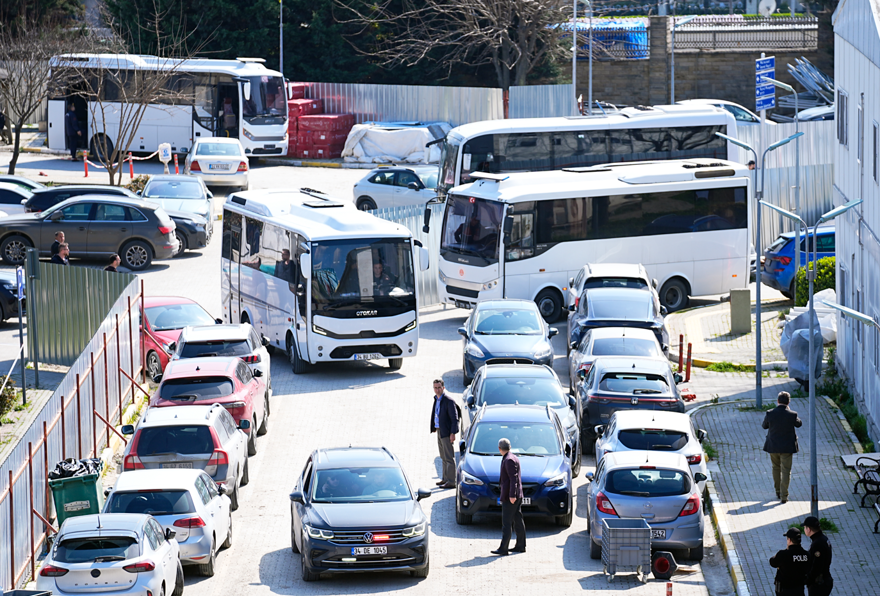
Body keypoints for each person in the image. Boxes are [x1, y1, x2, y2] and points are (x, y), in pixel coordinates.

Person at [762, 391, 802, 503]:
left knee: (776, 468)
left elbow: (764, 426)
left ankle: (778, 491)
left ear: (778, 401)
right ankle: (784, 496)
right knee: (786, 470)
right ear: (788, 402)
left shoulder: (770, 413)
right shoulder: (792, 414)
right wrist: (789, 411)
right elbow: (799, 424)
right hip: (787, 447)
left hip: (773, 446)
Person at [492, 437, 526, 556]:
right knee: (518, 519)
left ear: (499, 448)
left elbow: (513, 479)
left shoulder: (508, 460)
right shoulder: (512, 457)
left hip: (510, 496)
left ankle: (503, 548)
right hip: (516, 495)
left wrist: (512, 495)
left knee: (506, 523)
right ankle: (520, 545)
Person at [429, 379, 459, 489]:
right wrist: (434, 427)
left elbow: (454, 419)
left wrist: (453, 433)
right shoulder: (437, 399)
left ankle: (451, 481)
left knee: (449, 457)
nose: (437, 390)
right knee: (443, 456)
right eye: (435, 388)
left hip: (446, 432)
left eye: (439, 387)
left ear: (443, 388)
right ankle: (445, 479)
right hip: (439, 431)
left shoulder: (449, 401)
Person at [770, 527, 810, 596]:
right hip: (799, 589)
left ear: (789, 540)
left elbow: (772, 562)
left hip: (784, 590)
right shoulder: (806, 555)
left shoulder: (783, 554)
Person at [803, 516, 833, 596]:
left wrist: (808, 580)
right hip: (825, 579)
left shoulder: (817, 544)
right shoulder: (823, 539)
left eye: (805, 528)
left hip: (819, 583)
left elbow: (817, 566)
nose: (804, 530)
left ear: (808, 529)